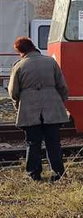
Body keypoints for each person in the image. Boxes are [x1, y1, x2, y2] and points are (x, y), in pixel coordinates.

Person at [7, 36, 69, 181]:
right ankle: (59, 173)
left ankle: (34, 174)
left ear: (21, 52)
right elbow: (62, 86)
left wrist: (18, 104)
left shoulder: (19, 66)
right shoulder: (51, 62)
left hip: (30, 111)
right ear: (33, 46)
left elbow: (13, 91)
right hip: (52, 109)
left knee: (33, 143)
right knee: (53, 143)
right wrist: (60, 102)